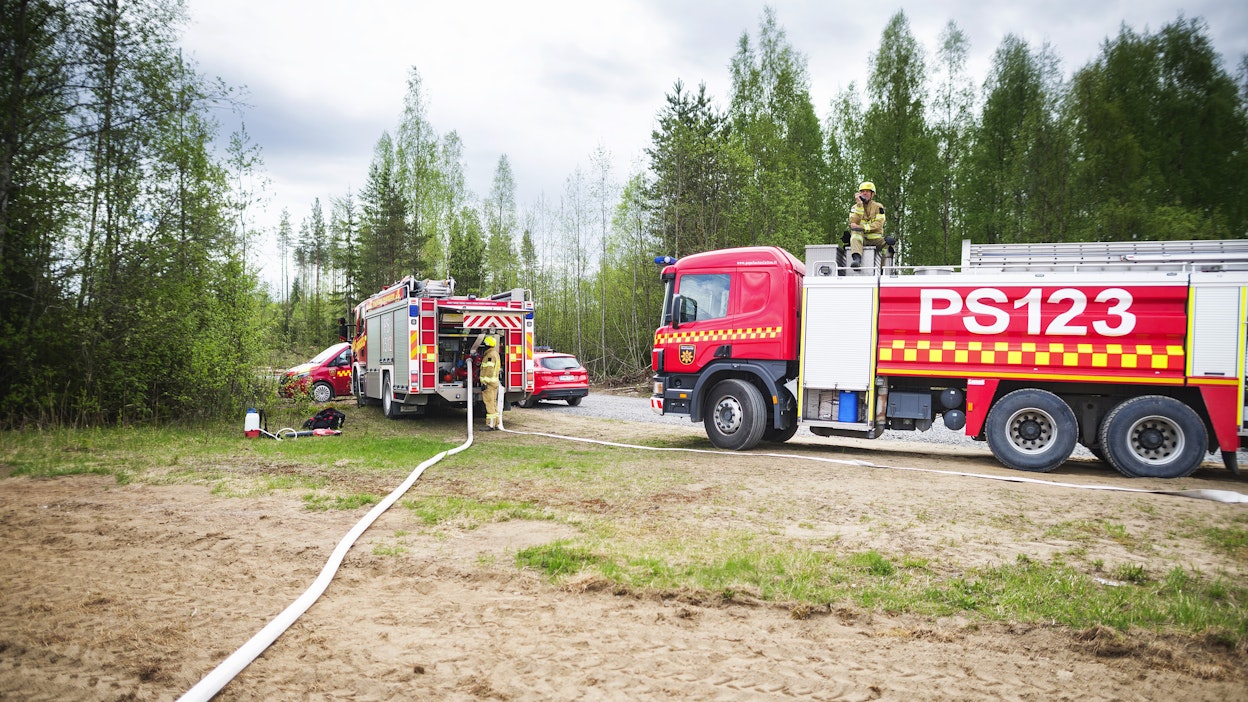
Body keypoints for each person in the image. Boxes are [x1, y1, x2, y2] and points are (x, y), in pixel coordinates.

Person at [847, 181, 886, 270]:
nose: (864, 193)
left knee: (891, 242)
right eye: (862, 191)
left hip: (876, 239)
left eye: (867, 191)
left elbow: (879, 224)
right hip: (862, 239)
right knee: (855, 233)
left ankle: (886, 269)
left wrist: (863, 227)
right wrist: (859, 205)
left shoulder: (878, 207)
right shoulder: (854, 207)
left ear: (872, 194)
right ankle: (857, 260)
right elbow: (854, 223)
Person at [479, 336, 502, 431]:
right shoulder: (494, 353)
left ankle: (490, 425)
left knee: (489, 403)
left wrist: (483, 381)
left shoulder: (489, 356)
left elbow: (489, 370)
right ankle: (496, 423)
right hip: (494, 383)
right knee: (493, 403)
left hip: (489, 384)